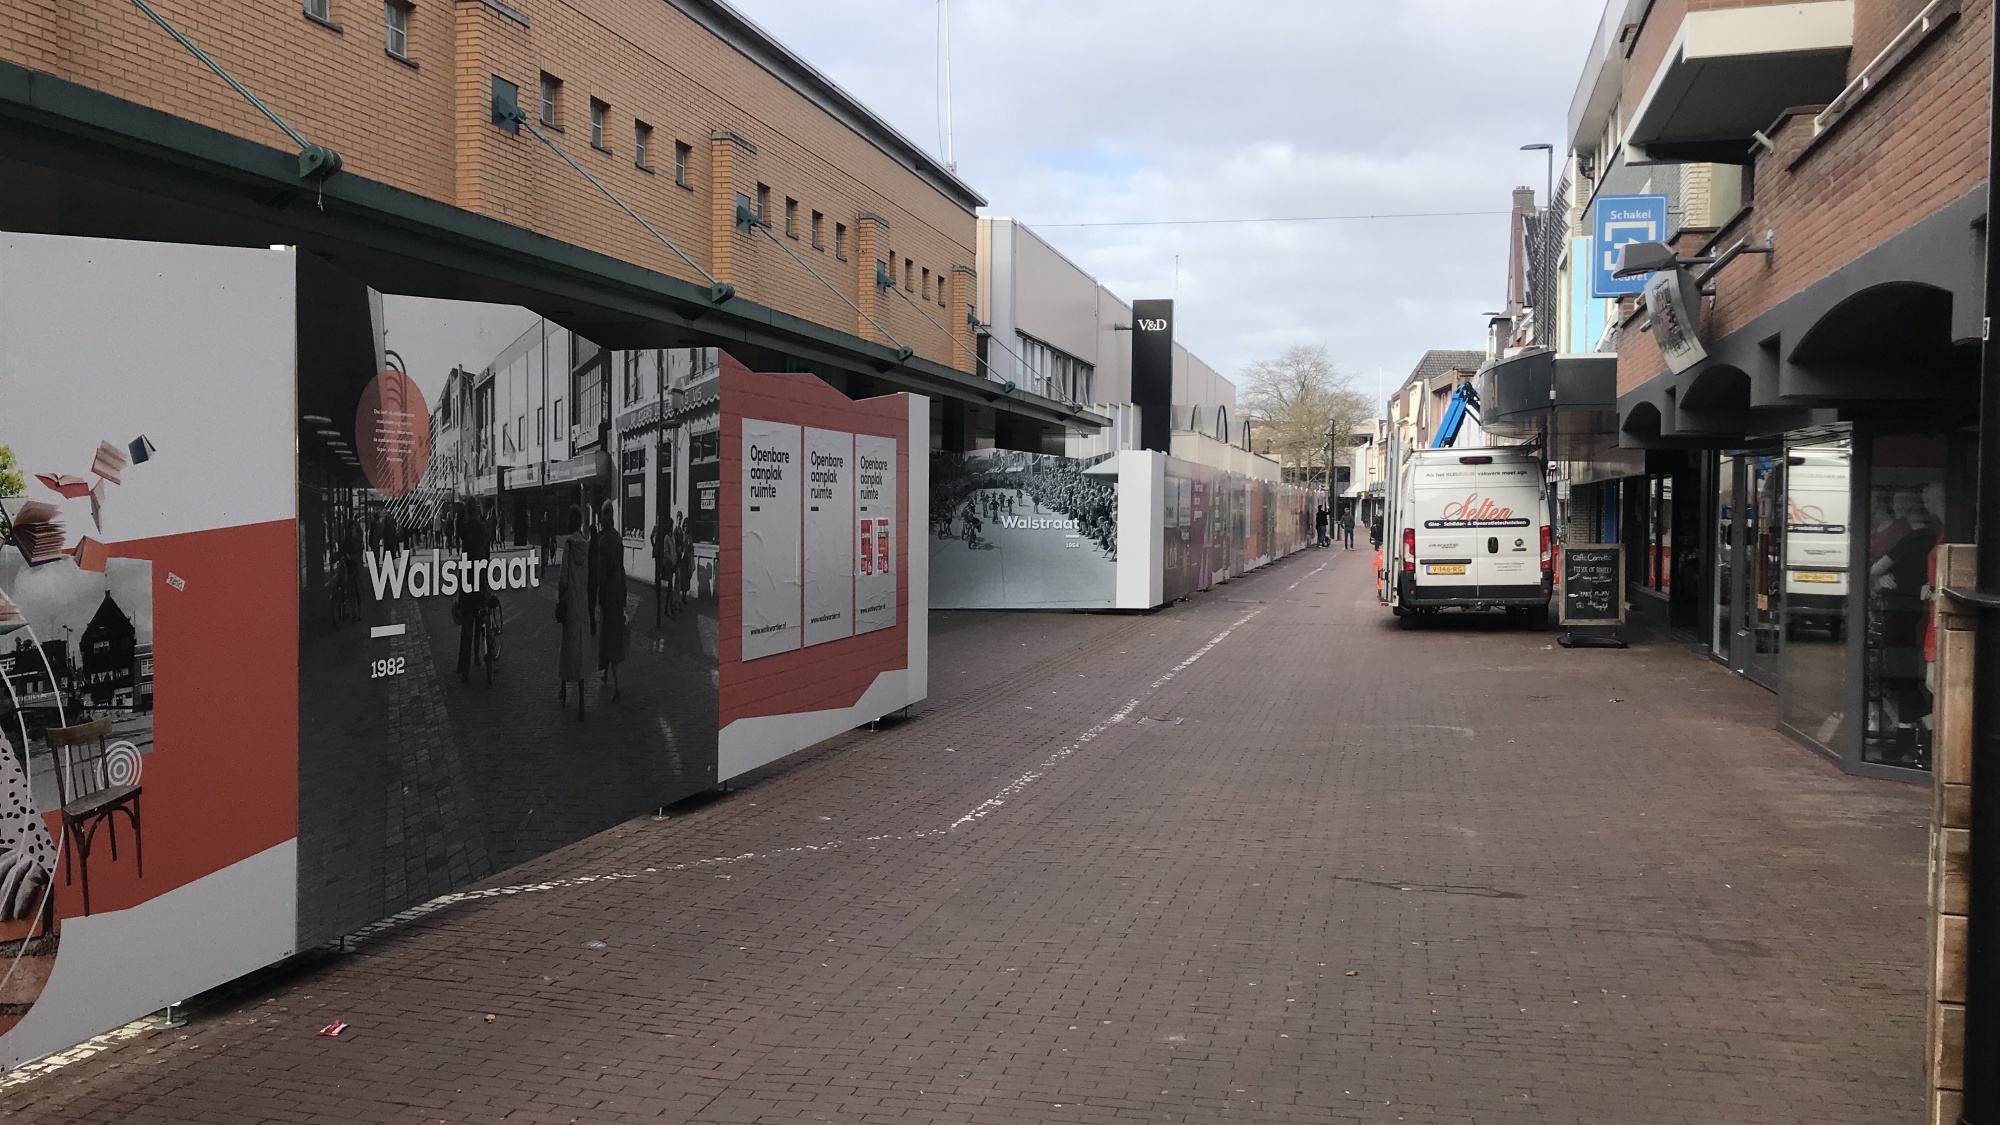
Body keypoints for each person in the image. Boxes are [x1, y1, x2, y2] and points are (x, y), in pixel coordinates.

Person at [554, 504, 591, 718]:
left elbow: (562, 577)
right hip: (583, 604)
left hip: (570, 604)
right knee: (581, 650)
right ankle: (582, 701)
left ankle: (563, 690)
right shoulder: (586, 546)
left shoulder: (568, 545)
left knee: (566, 647)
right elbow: (588, 576)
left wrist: (562, 596)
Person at [589, 499, 628, 702]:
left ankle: (617, 685)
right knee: (611, 636)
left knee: (610, 637)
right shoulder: (618, 538)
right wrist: (624, 594)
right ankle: (605, 674)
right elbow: (621, 568)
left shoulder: (603, 541)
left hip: (608, 593)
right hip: (618, 590)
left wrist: (598, 597)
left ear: (604, 516)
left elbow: (601, 574)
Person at [455, 499, 491, 683]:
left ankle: (464, 665)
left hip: (467, 580)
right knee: (479, 619)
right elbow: (487, 548)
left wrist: (461, 514)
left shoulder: (466, 529)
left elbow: (458, 530)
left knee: (467, 620)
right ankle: (477, 655)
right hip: (480, 579)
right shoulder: (483, 527)